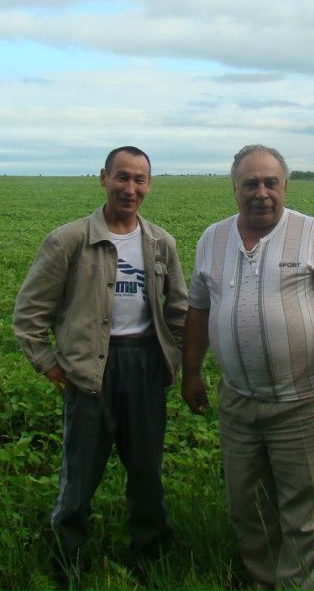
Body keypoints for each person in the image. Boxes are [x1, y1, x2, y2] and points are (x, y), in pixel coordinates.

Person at [182, 144, 314, 590]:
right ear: (234, 188)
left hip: (302, 401)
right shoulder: (213, 238)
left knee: (304, 510)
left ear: (285, 186)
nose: (261, 193)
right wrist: (191, 372)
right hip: (239, 401)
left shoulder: (313, 234)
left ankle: (299, 585)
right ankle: (264, 581)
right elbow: (199, 311)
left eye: (270, 183)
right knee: (249, 507)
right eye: (250, 184)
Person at [13, 146, 187, 587]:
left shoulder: (160, 242)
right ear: (103, 178)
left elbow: (179, 309)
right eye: (122, 177)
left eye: (140, 180)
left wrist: (173, 356)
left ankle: (150, 557)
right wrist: (50, 365)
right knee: (80, 471)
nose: (131, 188)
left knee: (146, 470)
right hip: (90, 369)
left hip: (143, 365)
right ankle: (66, 560)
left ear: (149, 184)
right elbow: (29, 313)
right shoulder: (68, 240)